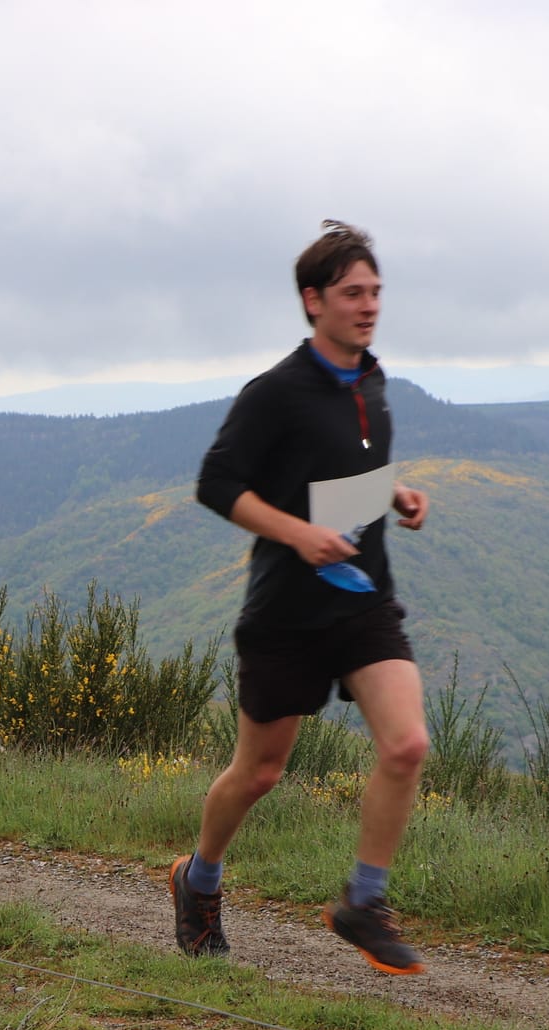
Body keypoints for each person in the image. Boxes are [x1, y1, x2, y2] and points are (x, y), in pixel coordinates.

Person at [172, 220, 431, 975]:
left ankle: (363, 899)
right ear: (313, 301)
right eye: (354, 292)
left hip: (363, 603)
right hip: (286, 613)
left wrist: (397, 490)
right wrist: (296, 534)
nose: (370, 305)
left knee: (408, 744)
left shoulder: (373, 381)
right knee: (258, 773)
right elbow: (216, 483)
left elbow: (345, 475)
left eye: (376, 291)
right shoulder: (276, 391)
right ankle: (199, 878)